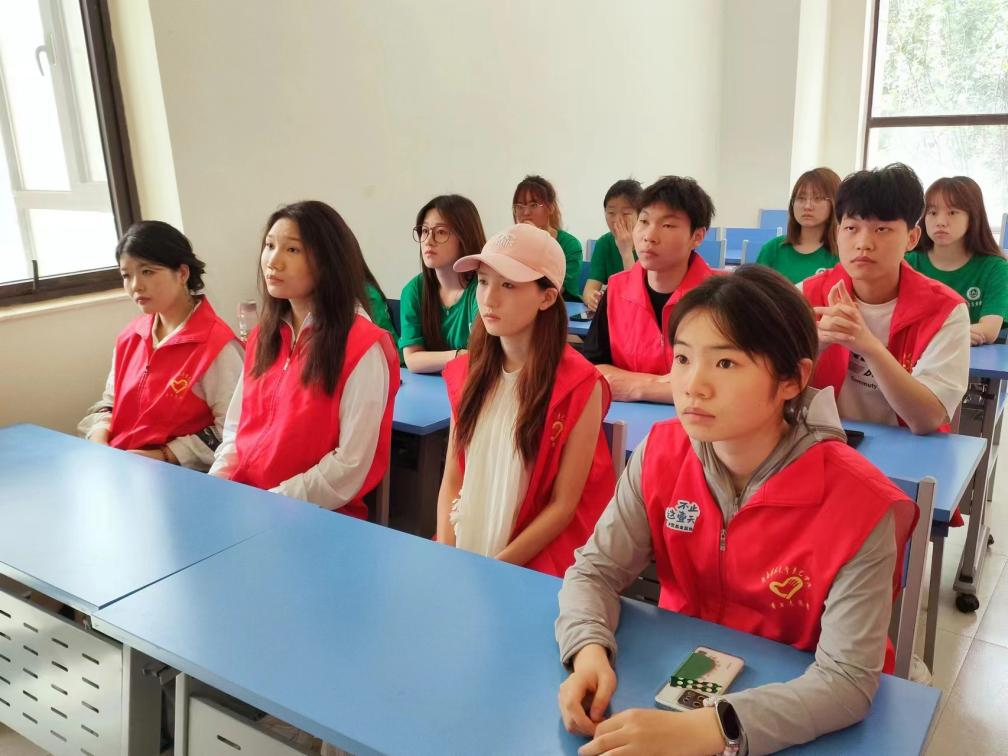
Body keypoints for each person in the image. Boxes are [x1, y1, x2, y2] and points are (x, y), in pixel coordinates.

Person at [556, 265, 916, 756]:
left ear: (793, 379)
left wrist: (714, 729)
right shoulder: (662, 452)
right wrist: (588, 650)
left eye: (725, 363)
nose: (693, 385)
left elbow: (847, 680)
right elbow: (594, 572)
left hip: (796, 709)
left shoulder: (861, 504)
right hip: (670, 672)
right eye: (683, 358)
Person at [436, 223, 615, 577]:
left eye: (508, 285)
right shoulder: (466, 374)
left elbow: (563, 506)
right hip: (465, 555)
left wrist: (496, 571)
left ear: (546, 297)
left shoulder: (579, 385)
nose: (489, 299)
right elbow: (452, 481)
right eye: (483, 281)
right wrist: (447, 555)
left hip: (533, 565)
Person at [209, 201, 398, 517]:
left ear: (327, 261)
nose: (273, 261)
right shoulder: (264, 335)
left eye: (292, 250)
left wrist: (275, 500)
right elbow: (236, 428)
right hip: (251, 503)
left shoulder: (361, 345)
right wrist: (215, 484)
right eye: (270, 246)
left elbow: (350, 463)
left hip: (313, 515)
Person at [802, 163, 969, 434]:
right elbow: (768, 393)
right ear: (837, 233)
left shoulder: (946, 310)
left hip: (910, 449)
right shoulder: (805, 296)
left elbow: (927, 420)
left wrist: (869, 347)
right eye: (851, 228)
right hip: (823, 441)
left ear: (912, 238)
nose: (863, 243)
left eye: (882, 229)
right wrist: (813, 346)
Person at [79, 220, 242, 471]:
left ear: (182, 274)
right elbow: (109, 404)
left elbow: (232, 431)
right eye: (126, 275)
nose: (136, 285)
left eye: (148, 272)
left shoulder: (217, 346)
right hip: (121, 464)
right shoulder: (130, 336)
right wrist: (99, 438)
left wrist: (165, 455)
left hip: (179, 474)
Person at [580, 176, 717, 403]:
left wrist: (638, 388)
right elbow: (592, 369)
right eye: (643, 221)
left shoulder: (720, 298)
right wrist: (663, 384)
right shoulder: (616, 290)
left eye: (668, 225)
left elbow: (722, 384)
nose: (649, 236)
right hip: (623, 419)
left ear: (697, 236)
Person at [906, 175, 1008, 345]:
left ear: (973, 217)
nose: (940, 222)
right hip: (914, 358)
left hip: (971, 359)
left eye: (952, 212)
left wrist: (927, 334)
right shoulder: (907, 263)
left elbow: (989, 330)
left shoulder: (995, 268)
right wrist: (957, 334)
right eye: (932, 213)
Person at [399, 194, 486, 373]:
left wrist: (432, 359)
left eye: (441, 232)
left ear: (464, 237)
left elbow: (482, 358)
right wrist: (459, 355)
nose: (428, 241)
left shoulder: (483, 287)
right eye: (424, 231)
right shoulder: (413, 290)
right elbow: (412, 359)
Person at [755, 167, 841, 283]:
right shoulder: (772, 249)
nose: (807, 206)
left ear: (835, 203)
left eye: (817, 198)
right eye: (801, 198)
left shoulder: (842, 254)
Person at [512, 174, 583, 300]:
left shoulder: (570, 245)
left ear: (550, 208)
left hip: (560, 305)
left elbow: (555, 289)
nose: (526, 212)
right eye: (520, 206)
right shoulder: (511, 243)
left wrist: (536, 240)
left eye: (533, 205)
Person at [582, 179, 643, 310]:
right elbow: (589, 289)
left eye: (626, 213)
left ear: (641, 215)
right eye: (611, 213)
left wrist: (626, 252)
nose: (617, 220)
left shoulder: (649, 243)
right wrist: (592, 299)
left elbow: (636, 296)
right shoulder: (604, 243)